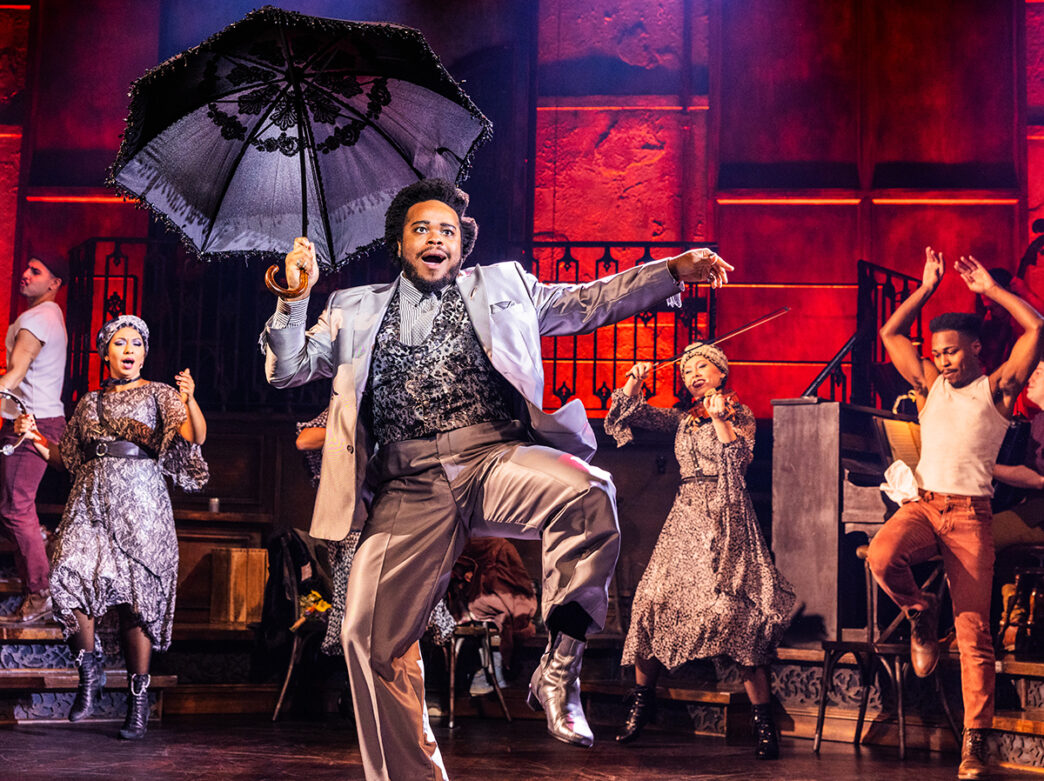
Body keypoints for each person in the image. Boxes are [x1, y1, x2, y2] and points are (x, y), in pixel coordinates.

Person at [260, 178, 733, 781]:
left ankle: (560, 667)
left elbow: (591, 299)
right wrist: (293, 298)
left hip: (493, 460)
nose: (435, 239)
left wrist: (674, 270)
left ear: (462, 246)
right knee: (367, 639)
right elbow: (288, 370)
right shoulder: (354, 308)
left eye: (447, 231)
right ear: (400, 242)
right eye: (421, 229)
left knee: (589, 491)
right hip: (409, 484)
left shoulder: (505, 286)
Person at [871, 247, 1043, 780]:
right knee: (881, 556)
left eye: (950, 351)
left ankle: (976, 741)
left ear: (973, 348)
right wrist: (924, 290)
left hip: (972, 517)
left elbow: (1036, 328)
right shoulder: (928, 386)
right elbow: (890, 337)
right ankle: (921, 612)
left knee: (974, 633)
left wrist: (991, 291)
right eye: (937, 352)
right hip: (926, 506)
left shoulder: (999, 389)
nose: (942, 359)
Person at [16, 315, 208, 739]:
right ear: (105, 353)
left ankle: (137, 702)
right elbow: (68, 459)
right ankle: (90, 669)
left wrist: (190, 399)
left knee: (135, 603)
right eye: (120, 343)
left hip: (142, 506)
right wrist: (34, 439)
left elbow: (194, 437)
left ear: (144, 352)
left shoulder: (160, 394)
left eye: (136, 343)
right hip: (91, 503)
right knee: (66, 575)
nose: (128, 350)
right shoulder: (89, 403)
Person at [603, 343, 795, 758]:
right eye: (687, 369)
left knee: (735, 614)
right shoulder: (682, 420)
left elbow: (737, 459)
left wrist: (721, 419)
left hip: (726, 514)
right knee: (650, 601)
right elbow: (628, 415)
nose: (692, 374)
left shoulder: (737, 414)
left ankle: (765, 726)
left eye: (702, 366)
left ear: (721, 374)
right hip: (685, 515)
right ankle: (641, 704)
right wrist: (635, 380)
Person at [0, 256, 68, 624]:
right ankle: (41, 541)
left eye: (36, 271)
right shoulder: (50, 316)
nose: (25, 274)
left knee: (15, 507)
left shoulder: (38, 319)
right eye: (26, 268)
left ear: (55, 283)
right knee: (12, 505)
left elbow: (14, 375)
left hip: (31, 421)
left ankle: (40, 591)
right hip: (30, 416)